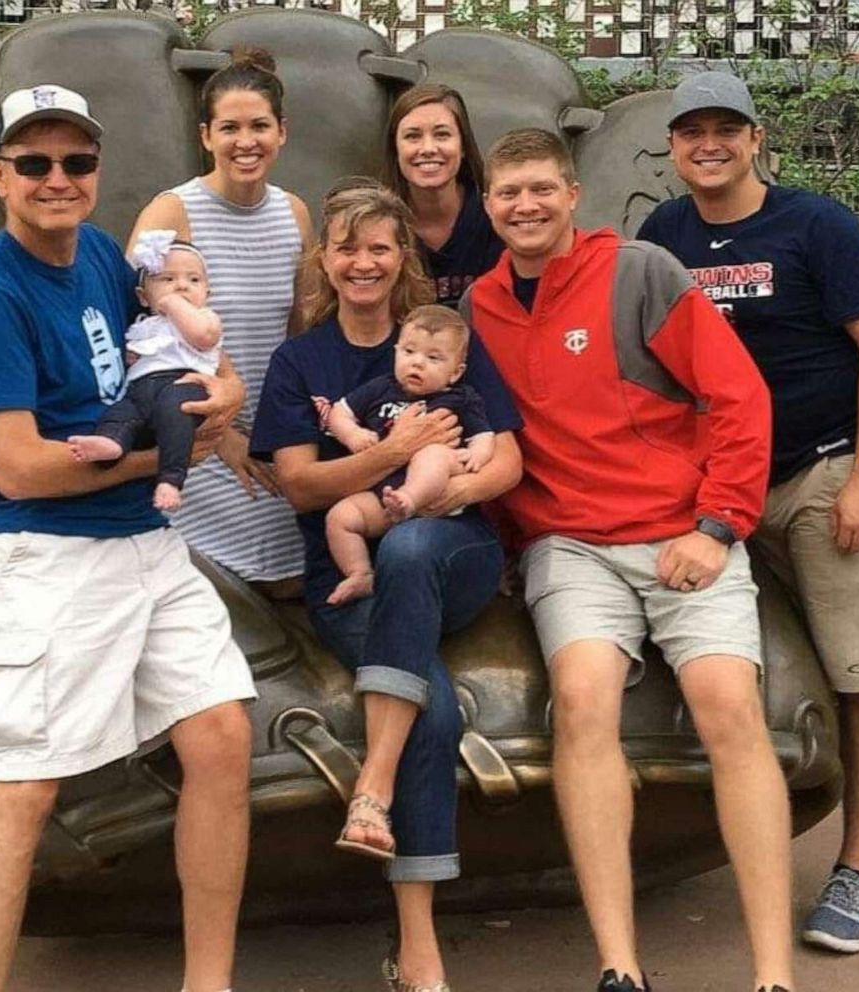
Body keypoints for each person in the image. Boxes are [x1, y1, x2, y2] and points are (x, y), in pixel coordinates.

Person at [0, 84, 255, 992]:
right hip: (52, 556)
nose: (57, 179)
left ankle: (209, 984)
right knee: (26, 786)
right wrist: (165, 454)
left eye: (75, 162)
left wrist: (224, 390)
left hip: (146, 546)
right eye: (33, 163)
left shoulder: (107, 262)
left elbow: (189, 350)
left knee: (223, 739)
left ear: (96, 172)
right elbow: (17, 467)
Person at [465, 127, 793, 992]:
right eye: (508, 194)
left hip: (682, 529)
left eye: (541, 189)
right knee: (580, 704)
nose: (525, 206)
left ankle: (772, 974)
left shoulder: (640, 272)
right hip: (569, 545)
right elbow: (487, 441)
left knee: (729, 707)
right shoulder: (480, 311)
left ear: (573, 195)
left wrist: (718, 525)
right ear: (488, 208)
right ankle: (620, 966)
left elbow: (738, 396)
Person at [637, 70, 859, 951]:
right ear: (673, 147)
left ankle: (856, 870)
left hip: (824, 471)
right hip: (721, 490)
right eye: (692, 131)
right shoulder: (665, 233)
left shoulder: (816, 226)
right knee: (837, 662)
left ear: (757, 139)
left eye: (727, 129)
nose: (709, 144)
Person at [252, 184, 522, 991]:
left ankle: (371, 786)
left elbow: (506, 460)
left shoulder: (443, 341)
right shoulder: (302, 362)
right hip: (349, 578)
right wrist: (391, 452)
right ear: (325, 261)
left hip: (454, 551)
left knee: (409, 543)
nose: (363, 262)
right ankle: (418, 945)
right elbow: (301, 486)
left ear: (402, 256)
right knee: (431, 708)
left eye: (379, 247)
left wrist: (448, 486)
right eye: (346, 247)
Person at [128, 47, 312, 594]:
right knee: (234, 585)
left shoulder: (294, 213)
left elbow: (298, 332)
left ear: (282, 131)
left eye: (259, 126)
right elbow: (141, 340)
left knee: (300, 575)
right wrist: (220, 433)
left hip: (269, 431)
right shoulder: (171, 212)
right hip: (196, 429)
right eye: (229, 127)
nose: (245, 141)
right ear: (206, 136)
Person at [322, 303, 495, 606]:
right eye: (409, 352)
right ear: (396, 353)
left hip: (436, 491)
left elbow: (484, 434)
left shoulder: (460, 397)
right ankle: (360, 573)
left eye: (433, 358)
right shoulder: (381, 388)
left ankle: (410, 500)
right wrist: (353, 434)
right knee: (341, 517)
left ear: (456, 372)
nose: (418, 364)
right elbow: (339, 411)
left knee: (432, 454)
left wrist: (478, 454)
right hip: (385, 493)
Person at [68, 230, 223, 512]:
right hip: (140, 389)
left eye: (194, 280)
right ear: (142, 296)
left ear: (207, 292)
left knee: (176, 414)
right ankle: (111, 443)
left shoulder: (205, 317)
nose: (181, 287)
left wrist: (171, 303)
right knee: (121, 413)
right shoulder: (143, 323)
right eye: (167, 279)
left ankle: (171, 478)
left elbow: (202, 337)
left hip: (184, 382)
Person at [383, 83, 503, 308]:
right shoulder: (378, 225)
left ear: (463, 145)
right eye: (413, 136)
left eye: (442, 135)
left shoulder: (497, 216)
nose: (428, 148)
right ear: (395, 149)